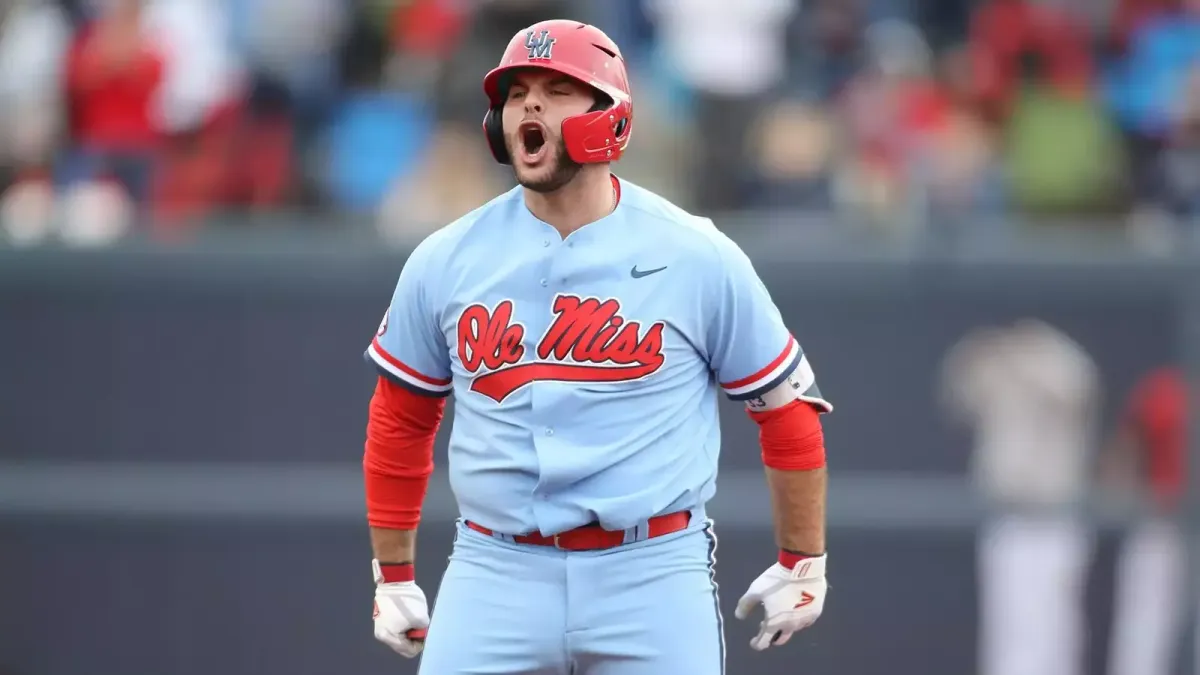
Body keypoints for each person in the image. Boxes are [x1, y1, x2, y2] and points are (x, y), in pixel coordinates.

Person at [361, 20, 833, 674]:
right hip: (495, 567)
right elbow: (400, 416)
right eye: (517, 90)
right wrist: (394, 573)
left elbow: (787, 409)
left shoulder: (695, 254)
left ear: (612, 118)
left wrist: (802, 559)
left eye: (558, 89)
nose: (529, 104)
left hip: (653, 570)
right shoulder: (445, 258)